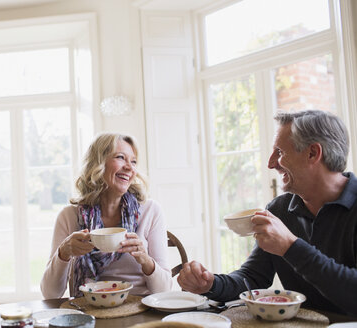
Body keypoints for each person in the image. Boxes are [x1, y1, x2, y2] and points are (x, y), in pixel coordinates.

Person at [178, 109, 357, 316]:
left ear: (313, 153)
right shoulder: (279, 210)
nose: (271, 163)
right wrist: (210, 284)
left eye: (279, 152)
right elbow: (253, 278)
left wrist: (291, 247)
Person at [40, 133, 172, 298]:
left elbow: (164, 290)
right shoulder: (69, 216)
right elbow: (50, 294)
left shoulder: (151, 211)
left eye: (133, 161)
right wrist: (63, 253)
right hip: (89, 310)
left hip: (138, 309)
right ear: (98, 164)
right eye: (121, 157)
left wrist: (145, 259)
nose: (130, 168)